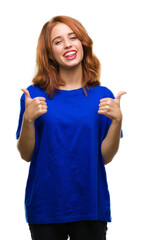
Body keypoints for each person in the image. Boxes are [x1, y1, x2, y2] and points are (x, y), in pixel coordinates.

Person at [16, 15, 126, 240]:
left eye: (73, 37)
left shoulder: (102, 96)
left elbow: (105, 157)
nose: (67, 44)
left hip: (90, 206)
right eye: (58, 41)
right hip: (45, 207)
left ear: (83, 43)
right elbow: (26, 154)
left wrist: (117, 121)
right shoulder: (34, 95)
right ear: (50, 52)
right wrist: (28, 121)